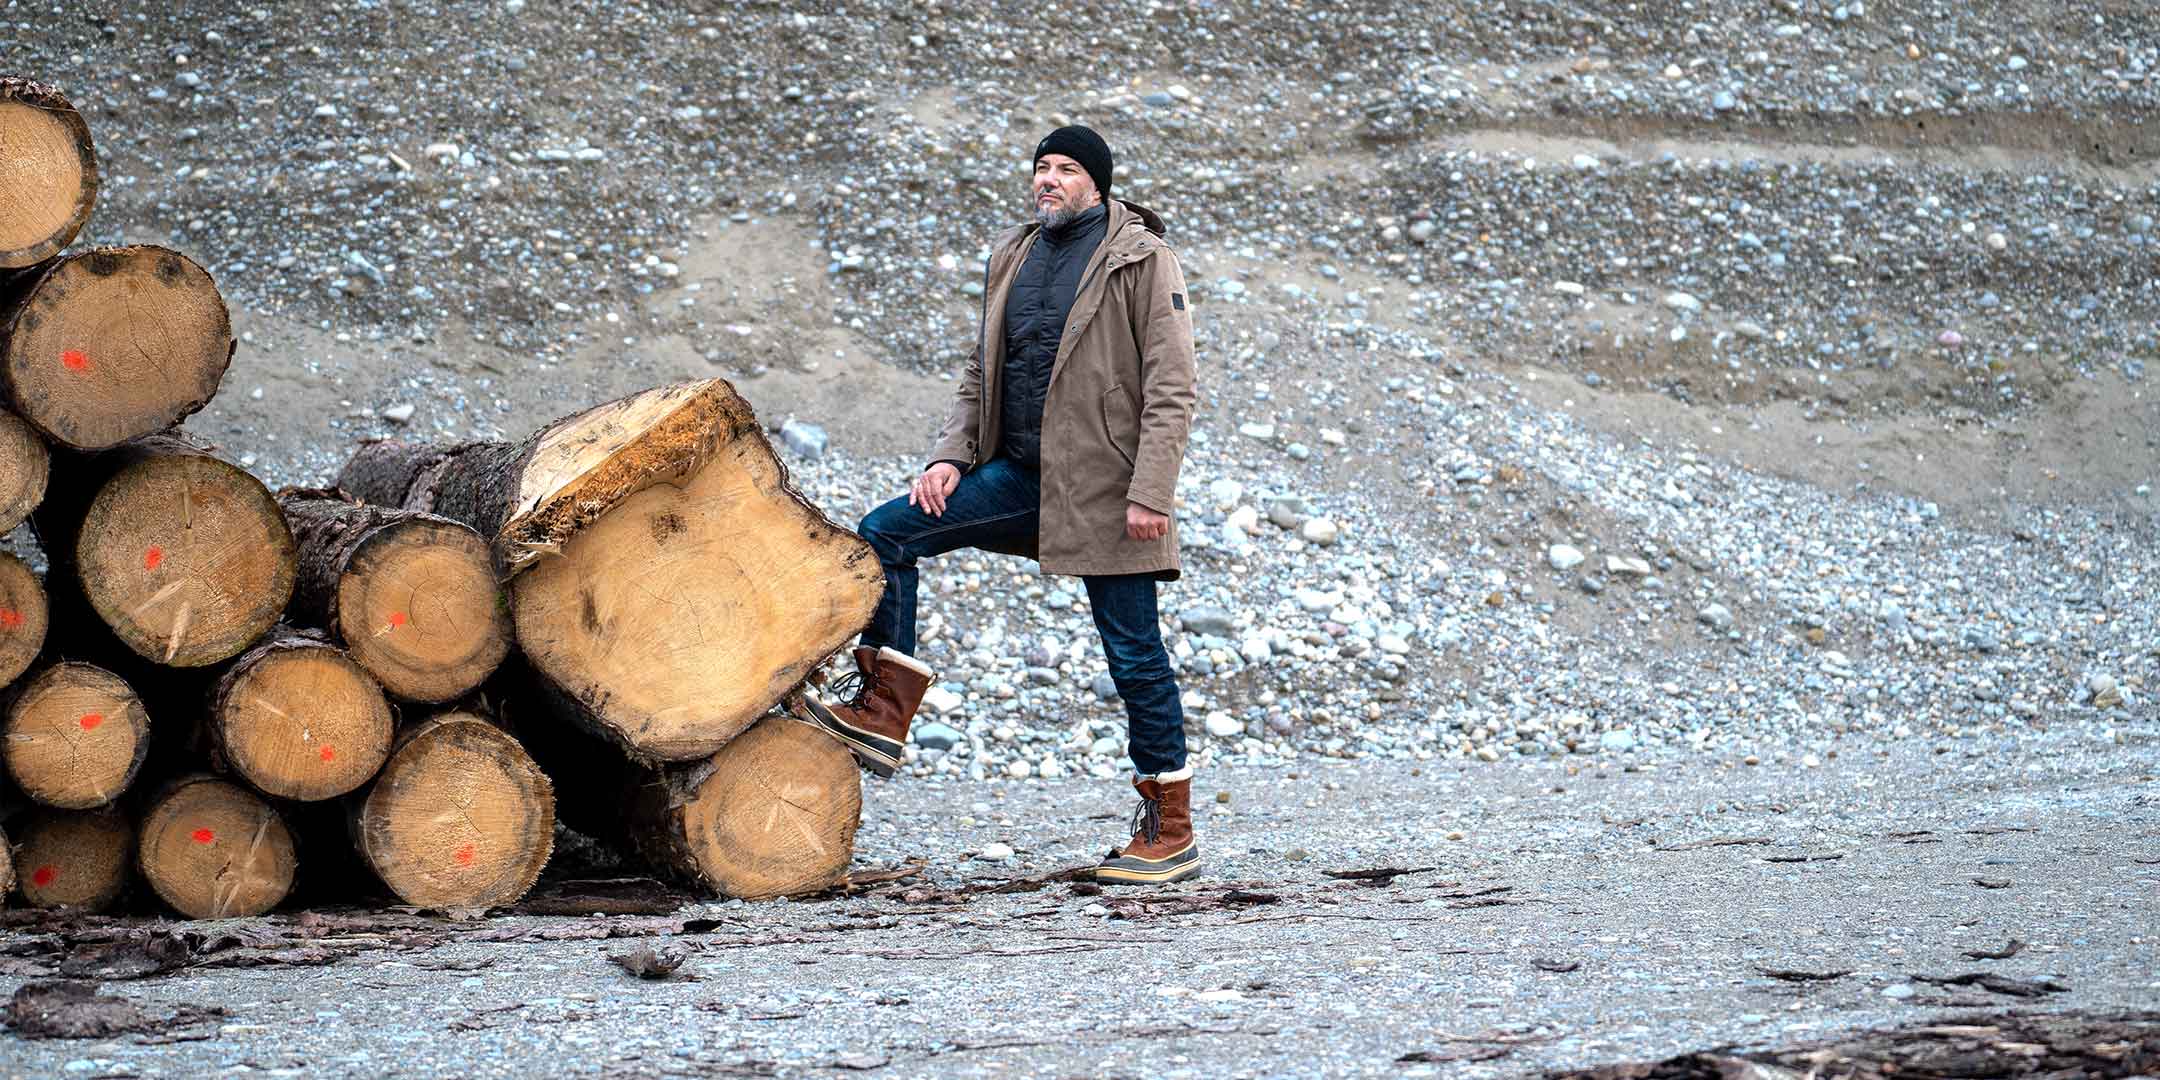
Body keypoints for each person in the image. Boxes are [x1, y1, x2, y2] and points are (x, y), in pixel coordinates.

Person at [804, 125, 1201, 885]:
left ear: (1098, 184)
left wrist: (1152, 490)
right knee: (888, 531)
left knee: (1134, 656)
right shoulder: (1015, 253)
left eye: (1066, 169)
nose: (1048, 179)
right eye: (1041, 167)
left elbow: (1173, 385)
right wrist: (949, 457)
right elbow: (978, 373)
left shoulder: (1144, 259)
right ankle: (884, 712)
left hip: (1108, 492)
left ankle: (1169, 827)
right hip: (1018, 476)